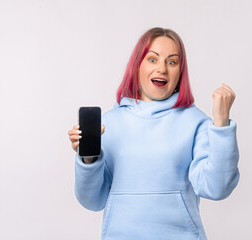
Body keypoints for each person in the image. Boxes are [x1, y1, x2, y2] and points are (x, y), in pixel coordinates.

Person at [67, 27, 240, 240]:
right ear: (137, 66)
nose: (162, 69)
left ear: (180, 71)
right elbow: (92, 200)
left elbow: (217, 188)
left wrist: (221, 126)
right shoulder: (108, 124)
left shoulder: (196, 122)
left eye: (172, 62)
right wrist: (88, 159)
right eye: (152, 59)